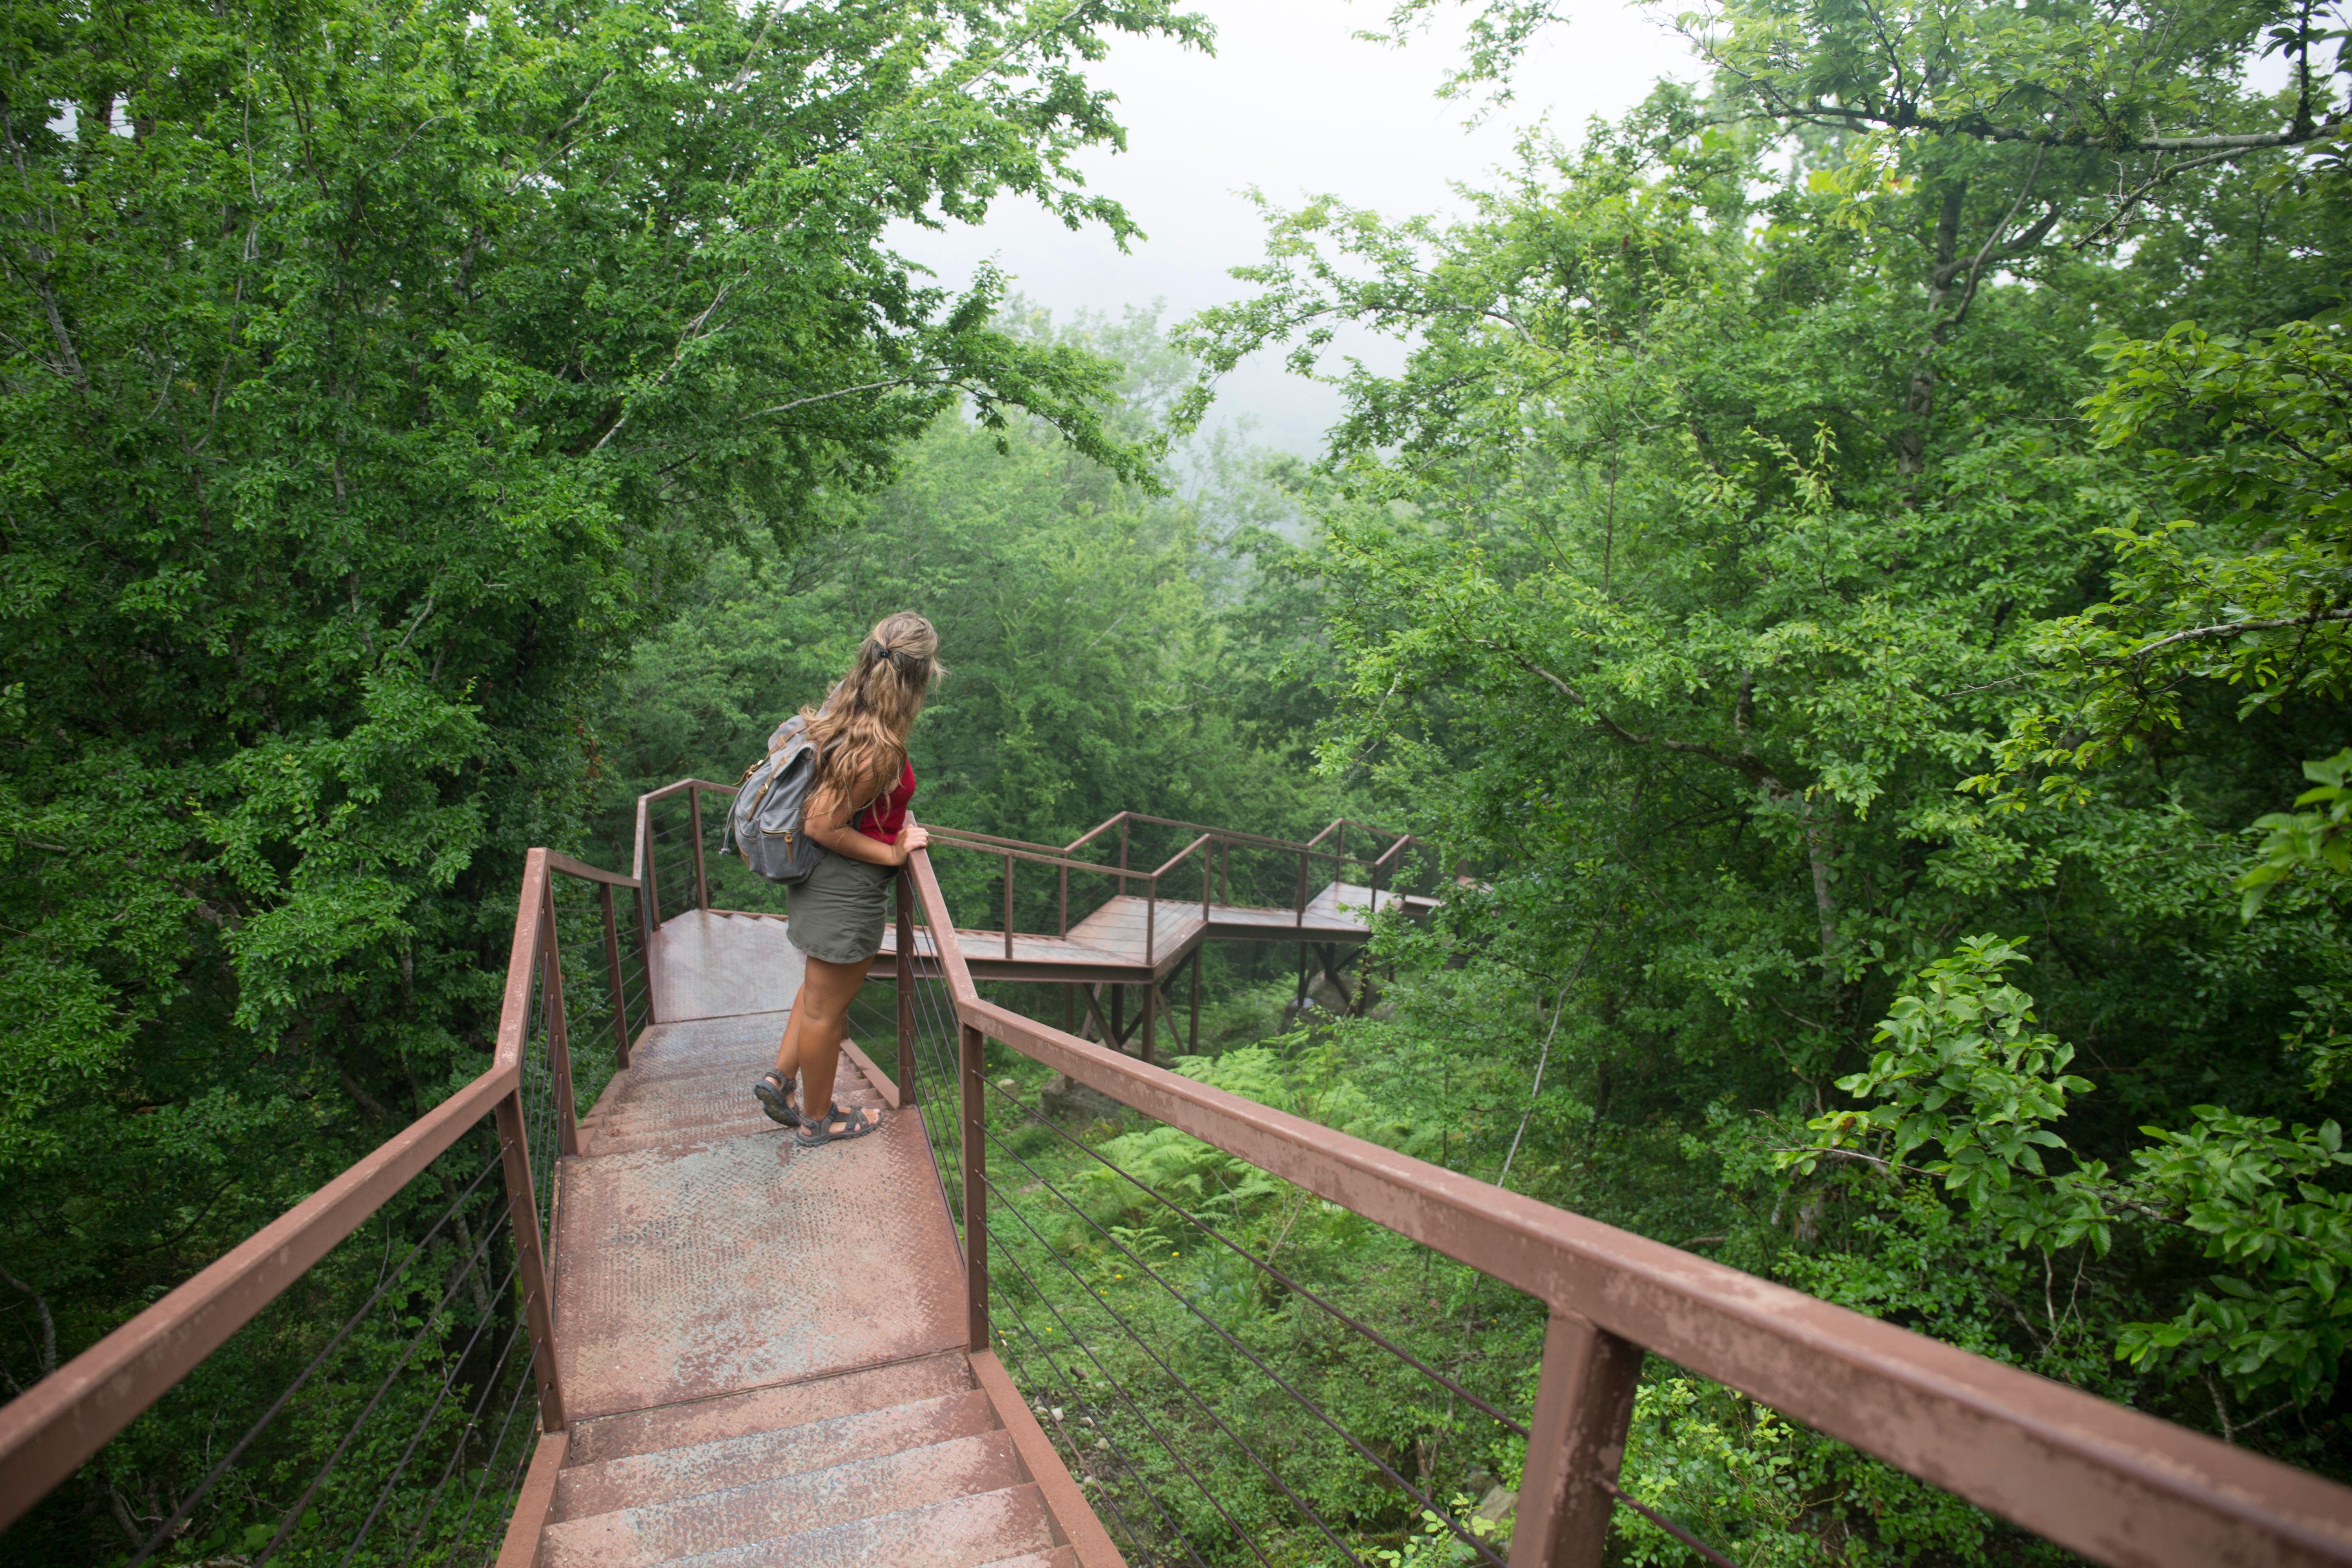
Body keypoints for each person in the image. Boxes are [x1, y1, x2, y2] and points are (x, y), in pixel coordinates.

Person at [753, 612, 938, 1147]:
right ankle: (818, 1120)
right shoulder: (877, 745)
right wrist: (894, 854)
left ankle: (780, 1079)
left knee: (816, 996)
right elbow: (823, 824)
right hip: (842, 888)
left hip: (817, 884)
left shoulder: (846, 705)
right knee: (826, 1012)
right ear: (919, 678)